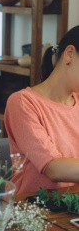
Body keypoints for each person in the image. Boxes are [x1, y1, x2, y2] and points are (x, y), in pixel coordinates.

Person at [4, 25, 79, 195]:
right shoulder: (23, 103)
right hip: (35, 210)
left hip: (71, 207)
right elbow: (53, 168)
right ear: (69, 54)